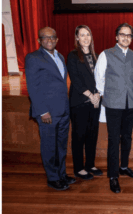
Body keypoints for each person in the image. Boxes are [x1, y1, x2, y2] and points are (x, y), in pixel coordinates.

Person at [25, 27, 76, 190]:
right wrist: (42, 111)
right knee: (49, 146)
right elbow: (32, 87)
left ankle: (61, 174)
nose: (50, 40)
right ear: (39, 41)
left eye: (53, 37)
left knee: (61, 145)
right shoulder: (33, 58)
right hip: (47, 112)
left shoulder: (60, 56)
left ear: (57, 39)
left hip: (62, 110)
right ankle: (53, 178)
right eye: (45, 37)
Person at [94, 23, 133, 193]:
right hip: (113, 103)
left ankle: (124, 167)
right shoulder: (106, 54)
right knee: (114, 139)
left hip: (130, 103)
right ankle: (113, 175)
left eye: (129, 35)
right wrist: (106, 94)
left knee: (127, 137)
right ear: (116, 36)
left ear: (132, 38)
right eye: (122, 34)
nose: (125, 38)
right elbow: (99, 77)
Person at [67, 25, 102, 180]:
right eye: (82, 35)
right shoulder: (73, 55)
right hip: (80, 102)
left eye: (88, 34)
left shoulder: (96, 56)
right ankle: (79, 168)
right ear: (77, 38)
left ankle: (90, 164)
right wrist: (91, 95)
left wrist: (98, 95)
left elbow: (101, 78)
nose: (86, 38)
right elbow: (76, 80)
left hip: (94, 102)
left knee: (92, 135)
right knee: (79, 136)